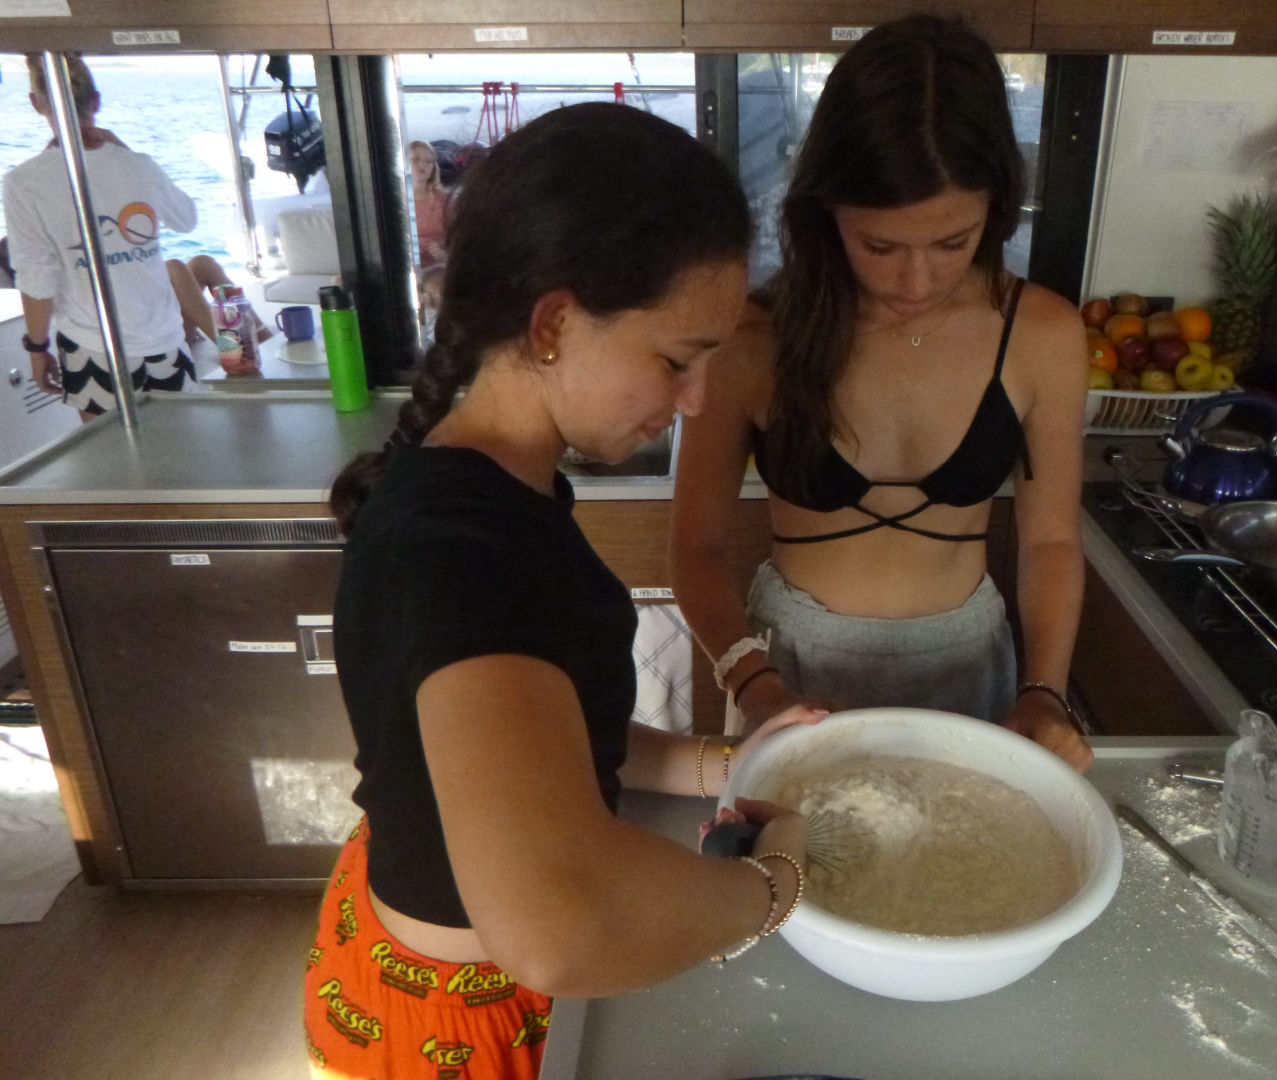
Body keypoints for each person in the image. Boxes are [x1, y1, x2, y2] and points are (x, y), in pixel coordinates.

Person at [308, 102, 823, 1080]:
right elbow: (556, 929)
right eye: (677, 360)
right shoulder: (460, 545)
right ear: (553, 323)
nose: (696, 402)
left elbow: (543, 732)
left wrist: (725, 764)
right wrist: (773, 888)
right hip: (461, 1017)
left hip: (426, 961)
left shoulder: (496, 485)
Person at [669, 15, 1094, 772]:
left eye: (953, 243)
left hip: (970, 662)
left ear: (996, 211)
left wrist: (1044, 691)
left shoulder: (1042, 334)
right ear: (826, 212)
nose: (917, 281)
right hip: (791, 666)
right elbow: (694, 549)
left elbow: (1051, 542)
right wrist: (754, 682)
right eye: (881, 246)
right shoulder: (754, 337)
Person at [3, 54, 200, 421]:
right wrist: (128, 154)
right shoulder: (138, 165)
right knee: (179, 451)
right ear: (96, 101)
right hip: (164, 342)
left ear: (36, 103)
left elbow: (37, 278)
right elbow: (186, 220)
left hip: (92, 347)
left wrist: (37, 348)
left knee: (112, 454)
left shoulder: (24, 183)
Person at [409, 139, 454, 269]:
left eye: (429, 161)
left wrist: (444, 251)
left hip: (439, 266)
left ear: (433, 168)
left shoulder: (445, 200)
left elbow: (457, 233)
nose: (422, 165)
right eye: (415, 159)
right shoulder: (397, 201)